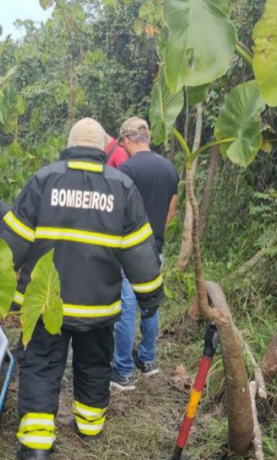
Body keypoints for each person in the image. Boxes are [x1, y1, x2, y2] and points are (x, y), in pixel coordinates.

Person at [0, 118, 165, 459]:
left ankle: (35, 446)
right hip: (97, 305)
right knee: (93, 363)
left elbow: (10, 245)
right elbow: (139, 252)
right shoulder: (122, 187)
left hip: (45, 303)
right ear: (103, 148)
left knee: (42, 364)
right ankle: (89, 426)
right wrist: (150, 297)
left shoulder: (44, 180)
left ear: (70, 144)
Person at [110, 117, 179, 391]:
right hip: (155, 248)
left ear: (126, 139)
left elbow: (119, 213)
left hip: (129, 250)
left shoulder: (126, 169)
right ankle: (148, 360)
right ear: (147, 138)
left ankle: (124, 370)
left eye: (122, 143)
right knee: (150, 304)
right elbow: (170, 214)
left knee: (126, 307)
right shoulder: (170, 169)